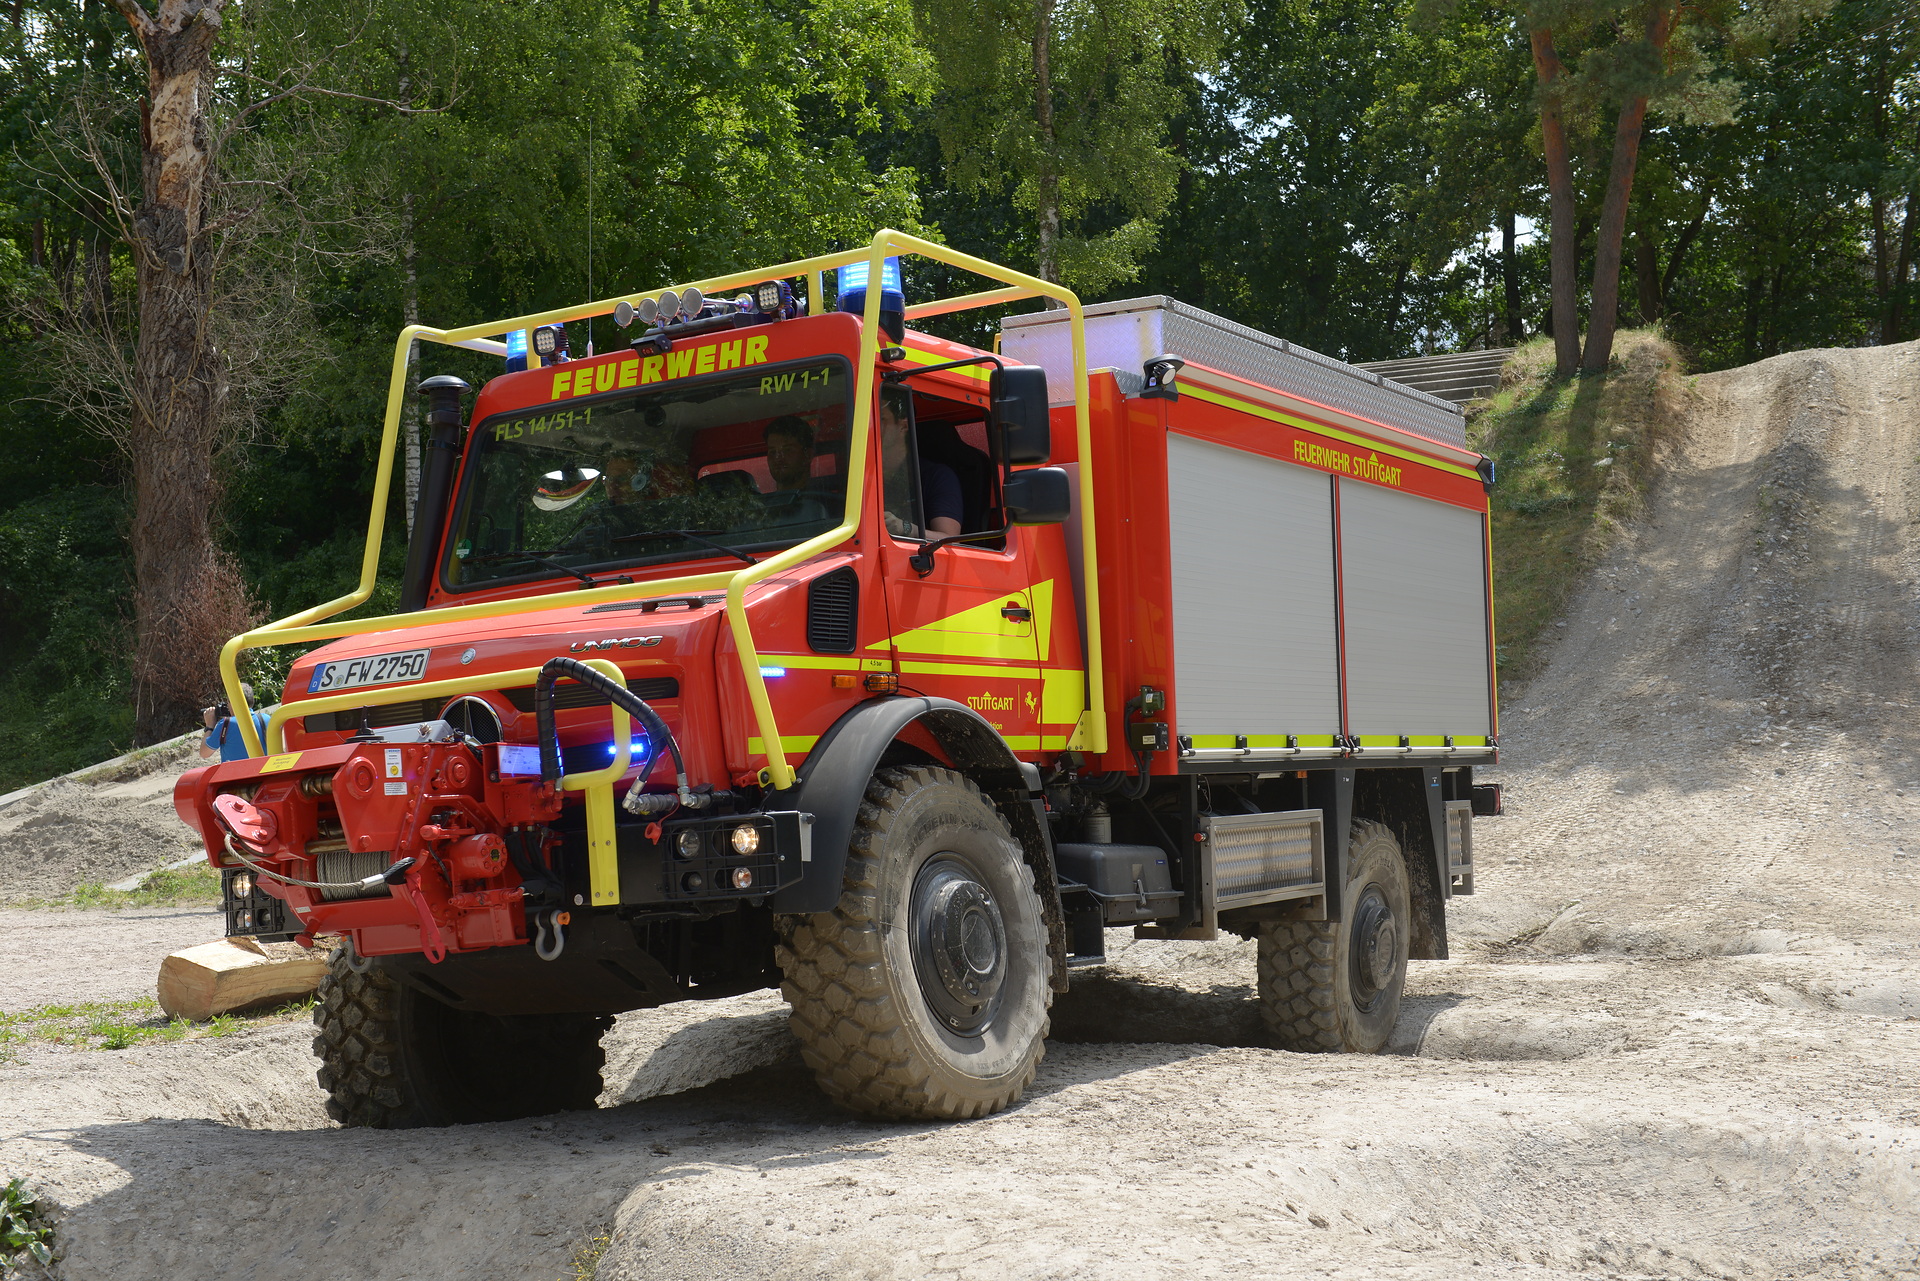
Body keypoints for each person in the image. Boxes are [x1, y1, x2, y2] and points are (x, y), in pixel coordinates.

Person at [878, 394, 962, 539]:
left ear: (903, 426)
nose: (870, 427)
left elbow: (950, 540)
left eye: (881, 420)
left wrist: (905, 528)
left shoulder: (936, 476)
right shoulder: (864, 476)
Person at [199, 683, 270, 762]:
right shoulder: (266, 719)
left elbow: (204, 753)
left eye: (228, 702)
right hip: (263, 771)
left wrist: (209, 726)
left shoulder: (226, 724)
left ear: (233, 702)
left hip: (237, 773)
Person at [764, 416, 816, 492]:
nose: (778, 458)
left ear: (808, 455)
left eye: (787, 450)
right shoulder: (763, 503)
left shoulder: (825, 501)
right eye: (773, 452)